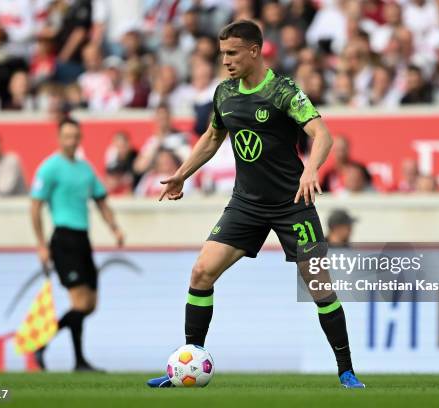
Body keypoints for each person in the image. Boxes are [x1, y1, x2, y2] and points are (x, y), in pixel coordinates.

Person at [147, 20, 364, 389]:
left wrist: (311, 170)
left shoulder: (283, 91)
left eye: (232, 53)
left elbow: (321, 134)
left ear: (254, 50)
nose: (226, 61)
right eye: (222, 54)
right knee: (201, 272)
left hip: (292, 203)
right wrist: (182, 173)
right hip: (246, 203)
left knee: (319, 286)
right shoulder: (225, 93)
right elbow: (212, 137)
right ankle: (189, 362)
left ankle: (346, 371)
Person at [30, 118, 124, 372]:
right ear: (59, 138)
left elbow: (101, 201)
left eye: (75, 136)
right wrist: (41, 244)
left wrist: (114, 227)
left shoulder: (85, 169)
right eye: (67, 136)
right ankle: (70, 356)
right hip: (63, 239)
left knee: (90, 304)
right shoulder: (50, 168)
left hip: (83, 239)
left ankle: (51, 347)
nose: (71, 140)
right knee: (80, 302)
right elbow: (35, 206)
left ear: (79, 138)